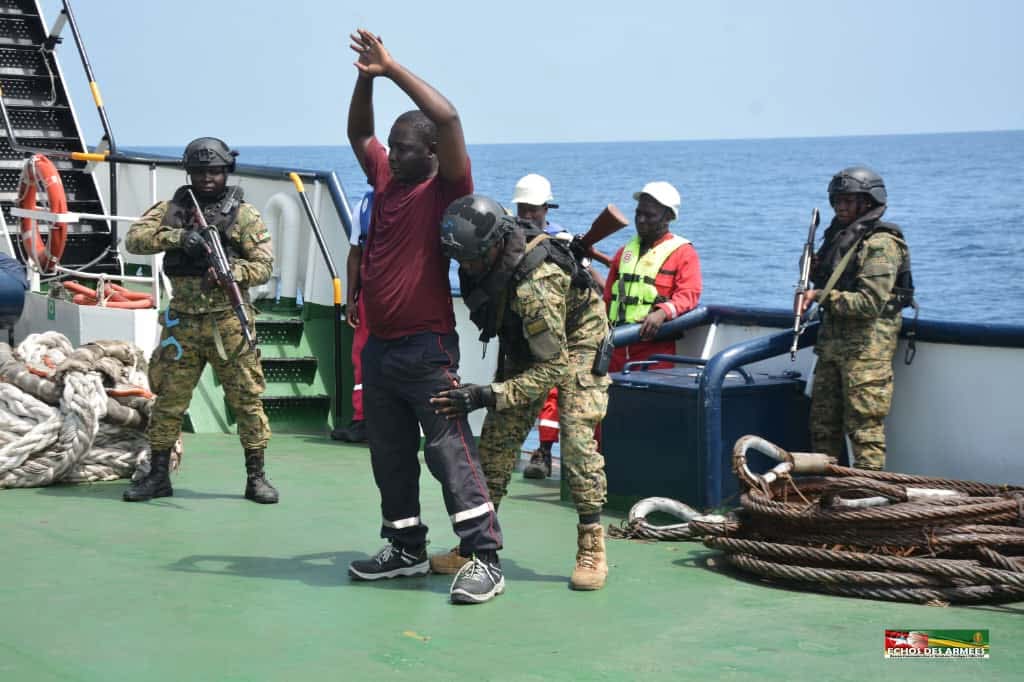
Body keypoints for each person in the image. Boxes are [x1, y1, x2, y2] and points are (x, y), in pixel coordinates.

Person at [344, 29, 503, 605]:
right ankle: (405, 546)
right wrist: (364, 79)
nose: (392, 152)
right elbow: (359, 132)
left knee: (447, 451)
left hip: (427, 347)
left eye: (405, 146)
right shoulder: (386, 179)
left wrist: (390, 68)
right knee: (388, 453)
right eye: (393, 146)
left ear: (431, 153)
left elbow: (451, 116)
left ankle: (483, 555)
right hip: (381, 348)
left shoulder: (445, 186)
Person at [431, 194, 612, 591]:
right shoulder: (479, 259)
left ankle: (592, 544)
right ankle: (475, 542)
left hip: (577, 341)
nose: (467, 267)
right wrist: (497, 396)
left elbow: (554, 366)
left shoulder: (535, 284)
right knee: (495, 444)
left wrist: (487, 394)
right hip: (529, 339)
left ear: (494, 247)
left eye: (472, 259)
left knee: (577, 436)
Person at [122, 136, 278, 504]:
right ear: (189, 172)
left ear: (226, 171)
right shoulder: (170, 209)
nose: (208, 178)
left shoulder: (244, 215)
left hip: (228, 321)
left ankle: (256, 477)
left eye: (215, 171)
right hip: (182, 322)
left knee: (246, 400)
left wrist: (234, 272)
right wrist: (180, 238)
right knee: (169, 401)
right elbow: (134, 239)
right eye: (200, 171)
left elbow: (265, 266)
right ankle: (159, 475)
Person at [800, 166, 913, 471]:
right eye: (837, 200)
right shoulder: (838, 238)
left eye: (850, 200)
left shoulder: (881, 244)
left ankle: (869, 498)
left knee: (865, 434)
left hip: (866, 354)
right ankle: (825, 495)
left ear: (868, 201)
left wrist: (820, 297)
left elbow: (870, 303)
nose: (841, 206)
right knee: (822, 428)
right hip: (832, 349)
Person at [603, 181, 702, 372]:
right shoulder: (624, 253)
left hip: (654, 353)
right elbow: (608, 297)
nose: (641, 220)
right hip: (615, 348)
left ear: (668, 217)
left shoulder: (683, 253)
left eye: (649, 215)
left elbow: (689, 294)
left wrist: (662, 312)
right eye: (638, 213)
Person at [512, 174, 566, 479]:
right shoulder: (508, 238)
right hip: (517, 330)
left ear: (547, 208)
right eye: (523, 208)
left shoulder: (562, 241)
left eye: (534, 208)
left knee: (552, 396)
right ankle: (505, 453)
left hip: (552, 332)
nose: (528, 214)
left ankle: (544, 453)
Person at [332, 190, 373, 444]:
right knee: (362, 356)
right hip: (371, 295)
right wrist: (351, 300)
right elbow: (355, 253)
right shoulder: (365, 205)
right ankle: (362, 420)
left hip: (406, 295)